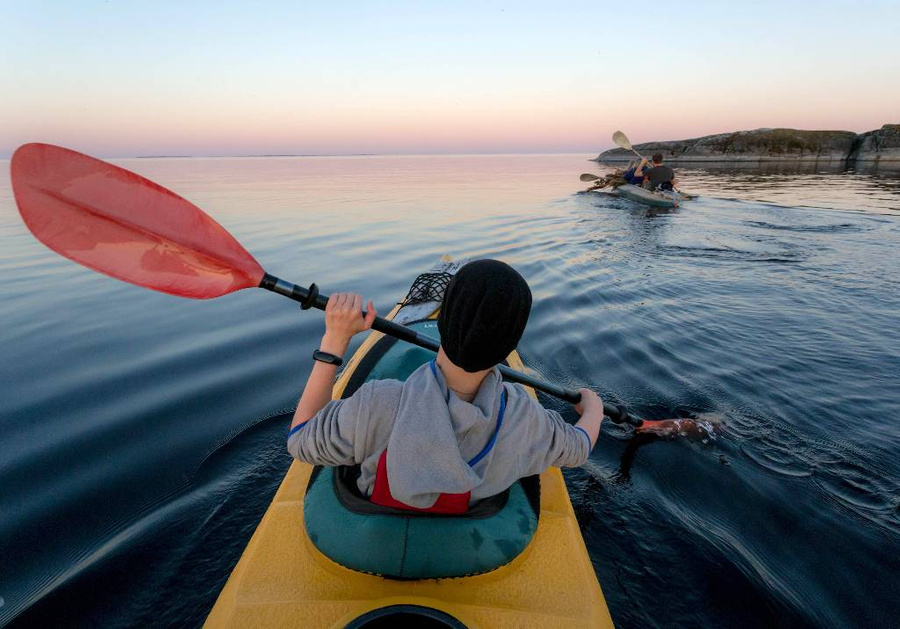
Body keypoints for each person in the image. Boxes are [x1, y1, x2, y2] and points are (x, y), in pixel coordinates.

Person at [287, 260, 604, 512]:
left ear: (441, 321)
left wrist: (335, 340)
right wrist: (594, 409)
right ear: (511, 342)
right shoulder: (526, 419)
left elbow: (299, 439)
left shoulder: (376, 404)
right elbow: (579, 447)